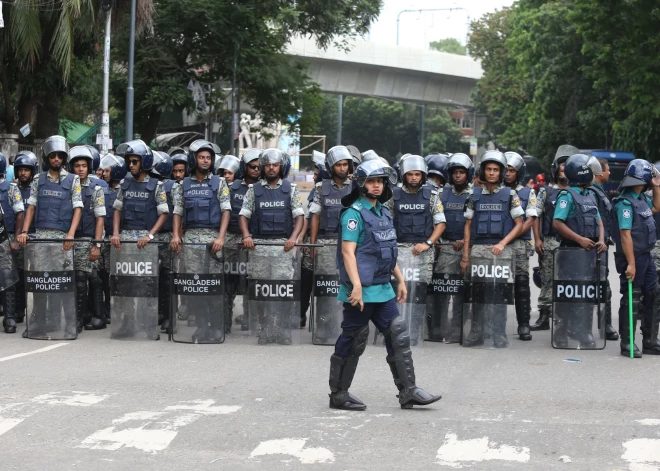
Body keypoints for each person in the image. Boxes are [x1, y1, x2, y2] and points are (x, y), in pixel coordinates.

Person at [329, 159, 441, 411]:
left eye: (380, 181)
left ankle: (408, 391)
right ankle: (338, 394)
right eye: (371, 181)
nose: (377, 186)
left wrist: (399, 280)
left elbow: (386, 251)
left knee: (398, 334)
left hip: (382, 288)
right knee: (353, 339)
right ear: (360, 184)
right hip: (361, 289)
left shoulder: (383, 212)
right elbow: (348, 253)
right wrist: (355, 286)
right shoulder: (353, 214)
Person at [17, 135, 83, 339]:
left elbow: (78, 209)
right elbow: (31, 207)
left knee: (64, 283)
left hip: (62, 240)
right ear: (47, 157)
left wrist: (71, 234)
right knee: (40, 284)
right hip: (41, 240)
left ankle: (70, 325)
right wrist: (25, 232)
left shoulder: (73, 180)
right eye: (53, 156)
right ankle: (37, 324)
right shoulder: (39, 179)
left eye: (60, 156)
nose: (56, 159)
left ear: (64, 158)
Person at [238, 149, 305, 345]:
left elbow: (299, 217)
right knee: (261, 290)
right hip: (259, 248)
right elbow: (243, 215)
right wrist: (247, 235)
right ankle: (265, 329)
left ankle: (282, 330)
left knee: (282, 290)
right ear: (263, 167)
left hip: (282, 248)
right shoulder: (254, 190)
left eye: (275, 165)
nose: (271, 168)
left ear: (281, 167)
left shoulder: (290, 189)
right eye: (268, 165)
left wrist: (293, 238)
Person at [461, 151, 524, 348]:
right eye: (488, 169)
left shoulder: (510, 194)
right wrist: (465, 255)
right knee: (477, 293)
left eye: (496, 170)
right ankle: (476, 332)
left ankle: (499, 333)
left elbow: (519, 224)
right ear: (483, 171)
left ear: (501, 172)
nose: (491, 173)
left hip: (501, 252)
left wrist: (502, 243)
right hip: (478, 251)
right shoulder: (474, 195)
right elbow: (468, 226)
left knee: (499, 294)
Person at [170, 140, 231, 342]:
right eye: (202, 157)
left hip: (213, 241)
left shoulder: (220, 183)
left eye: (208, 158)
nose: (205, 161)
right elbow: (177, 212)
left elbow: (226, 211)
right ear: (194, 159)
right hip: (191, 242)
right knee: (195, 287)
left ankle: (216, 327)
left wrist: (221, 238)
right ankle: (202, 327)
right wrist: (176, 235)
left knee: (213, 286)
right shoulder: (182, 185)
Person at [111, 139, 169, 341]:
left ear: (144, 162)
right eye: (129, 162)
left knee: (147, 284)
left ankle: (148, 324)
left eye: (135, 161)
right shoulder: (125, 184)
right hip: (126, 242)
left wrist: (150, 235)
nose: (131, 165)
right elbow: (117, 210)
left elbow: (164, 213)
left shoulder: (156, 186)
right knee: (126, 284)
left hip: (146, 244)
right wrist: (116, 233)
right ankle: (127, 324)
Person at [384, 154, 446, 345]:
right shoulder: (393, 195)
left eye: (417, 174)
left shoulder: (432, 195)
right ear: (404, 175)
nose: (413, 178)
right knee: (396, 292)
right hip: (399, 250)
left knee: (418, 293)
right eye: (410, 174)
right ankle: (394, 333)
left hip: (422, 251)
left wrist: (428, 243)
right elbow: (385, 222)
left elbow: (441, 223)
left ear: (423, 175)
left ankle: (415, 334)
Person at [552, 153, 607, 348]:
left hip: (589, 252)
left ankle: (583, 332)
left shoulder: (591, 194)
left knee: (586, 295)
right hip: (570, 252)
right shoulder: (567, 195)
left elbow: (599, 220)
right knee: (566, 294)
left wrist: (600, 240)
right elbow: (557, 223)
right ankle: (560, 331)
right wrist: (579, 239)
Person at [612, 159, 660, 357]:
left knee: (653, 295)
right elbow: (625, 235)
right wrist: (631, 263)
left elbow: (656, 207)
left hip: (646, 257)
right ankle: (628, 344)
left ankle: (650, 341)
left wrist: (657, 187)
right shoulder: (625, 203)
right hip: (634, 258)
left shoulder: (642, 199)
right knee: (633, 298)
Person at [309, 146, 354, 343]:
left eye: (345, 164)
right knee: (325, 287)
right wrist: (312, 244)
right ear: (331, 166)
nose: (342, 168)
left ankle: (346, 329)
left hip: (350, 245)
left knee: (347, 286)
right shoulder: (320, 188)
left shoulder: (357, 187)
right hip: (326, 243)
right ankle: (324, 327)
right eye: (338, 165)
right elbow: (315, 216)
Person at [530, 145, 576, 331]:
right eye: (562, 166)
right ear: (555, 169)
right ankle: (544, 316)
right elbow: (535, 216)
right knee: (547, 280)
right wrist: (537, 240)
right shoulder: (546, 192)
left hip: (571, 244)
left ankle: (567, 318)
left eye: (568, 167)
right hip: (549, 242)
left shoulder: (577, 192)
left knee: (569, 281)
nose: (564, 170)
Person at [432, 153, 473, 342]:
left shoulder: (475, 194)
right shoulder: (441, 193)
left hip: (467, 249)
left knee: (461, 293)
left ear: (468, 174)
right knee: (442, 290)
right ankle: (439, 329)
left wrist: (465, 242)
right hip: (446, 248)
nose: (458, 176)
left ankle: (458, 330)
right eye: (455, 172)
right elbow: (433, 217)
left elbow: (476, 224)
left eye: (461, 172)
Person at [67, 146, 107, 331]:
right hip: (69, 239)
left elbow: (100, 219)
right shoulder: (67, 185)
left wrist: (97, 245)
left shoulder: (95, 188)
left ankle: (86, 317)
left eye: (84, 165)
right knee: (75, 279)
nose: (81, 169)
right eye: (77, 165)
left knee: (86, 278)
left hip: (88, 239)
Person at [504, 151, 537, 341]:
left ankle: (524, 324)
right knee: (496, 283)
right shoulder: (496, 191)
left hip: (519, 244)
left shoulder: (528, 192)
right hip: (498, 245)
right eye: (505, 170)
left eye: (512, 170)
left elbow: (530, 219)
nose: (508, 174)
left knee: (522, 284)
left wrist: (509, 237)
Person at [588, 157, 619, 340]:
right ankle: (598, 326)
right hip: (593, 246)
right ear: (600, 172)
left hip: (601, 245)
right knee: (594, 286)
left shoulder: (600, 192)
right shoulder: (592, 192)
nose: (609, 173)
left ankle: (605, 324)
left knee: (603, 286)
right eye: (607, 170)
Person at [231, 149, 262, 331]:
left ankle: (250, 318)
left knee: (253, 281)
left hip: (255, 239)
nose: (256, 170)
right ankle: (225, 319)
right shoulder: (232, 187)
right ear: (244, 167)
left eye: (259, 167)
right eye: (252, 166)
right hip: (233, 238)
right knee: (231, 281)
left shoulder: (265, 188)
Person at [213, 153, 241, 333]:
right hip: (226, 238)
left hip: (244, 241)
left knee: (245, 282)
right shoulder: (218, 188)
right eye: (223, 172)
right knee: (226, 284)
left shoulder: (244, 189)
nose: (226, 176)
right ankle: (225, 321)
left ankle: (250, 316)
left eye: (229, 173)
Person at [149, 151, 175, 332]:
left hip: (166, 235)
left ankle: (168, 316)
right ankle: (154, 313)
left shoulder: (172, 186)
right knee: (149, 278)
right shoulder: (144, 184)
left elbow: (178, 214)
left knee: (167, 278)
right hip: (148, 235)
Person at [99, 153, 127, 326]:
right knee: (105, 276)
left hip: (121, 239)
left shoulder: (125, 188)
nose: (104, 173)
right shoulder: (102, 189)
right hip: (106, 238)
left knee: (120, 277)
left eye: (107, 170)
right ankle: (108, 309)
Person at [12, 151, 38, 326]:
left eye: (26, 170)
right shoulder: (12, 189)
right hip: (18, 239)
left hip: (36, 238)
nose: (23, 173)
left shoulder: (38, 189)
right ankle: (19, 310)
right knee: (19, 276)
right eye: (20, 170)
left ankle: (37, 311)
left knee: (36, 276)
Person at [0, 153, 24, 333]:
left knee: (8, 279)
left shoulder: (11, 188)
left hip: (4, 239)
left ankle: (9, 318)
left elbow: (20, 214)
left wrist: (16, 239)